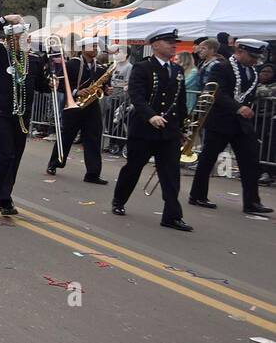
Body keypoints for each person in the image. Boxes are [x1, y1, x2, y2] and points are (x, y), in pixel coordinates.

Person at [111, 27, 192, 230]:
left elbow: (180, 103)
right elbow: (137, 97)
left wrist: (183, 127)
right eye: (168, 42)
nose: (173, 45)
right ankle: (119, 201)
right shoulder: (143, 67)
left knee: (170, 174)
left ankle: (172, 216)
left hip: (168, 132)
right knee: (133, 168)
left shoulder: (178, 70)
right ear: (155, 45)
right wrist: (151, 116)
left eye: (174, 42)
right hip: (144, 131)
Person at [188, 38, 271, 215]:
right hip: (220, 121)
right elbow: (216, 92)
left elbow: (247, 93)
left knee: (250, 161)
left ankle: (252, 202)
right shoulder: (221, 67)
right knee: (208, 160)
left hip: (241, 125)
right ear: (239, 52)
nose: (255, 61)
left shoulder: (252, 71)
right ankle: (197, 195)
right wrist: (238, 107)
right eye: (252, 56)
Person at [0, 13, 46, 216]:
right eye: (17, 38)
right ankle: (5, 198)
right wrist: (5, 20)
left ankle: (2, 195)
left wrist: (53, 82)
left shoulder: (33, 60)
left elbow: (41, 85)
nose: (22, 41)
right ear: (8, 39)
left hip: (22, 115)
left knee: (15, 156)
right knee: (5, 154)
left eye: (25, 38)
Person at [46, 37, 110, 184]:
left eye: (96, 46)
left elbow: (104, 87)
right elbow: (60, 85)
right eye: (92, 46)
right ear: (83, 49)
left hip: (92, 107)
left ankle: (93, 174)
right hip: (74, 105)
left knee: (94, 139)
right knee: (66, 136)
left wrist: (107, 90)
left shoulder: (100, 67)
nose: (95, 48)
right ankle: (54, 163)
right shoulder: (72, 64)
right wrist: (76, 92)